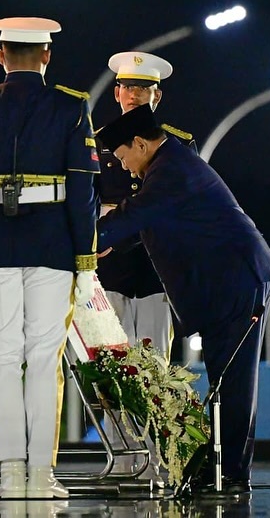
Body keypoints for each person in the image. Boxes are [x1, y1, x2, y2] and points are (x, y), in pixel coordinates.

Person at [0, 16, 99, 499]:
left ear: (0, 55)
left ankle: (10, 475)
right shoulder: (71, 108)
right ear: (47, 56)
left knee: (2, 357)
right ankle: (40, 475)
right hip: (52, 243)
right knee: (42, 358)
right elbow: (82, 190)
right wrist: (86, 261)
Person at [94, 104, 270, 494]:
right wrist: (104, 242)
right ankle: (222, 469)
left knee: (232, 381)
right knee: (225, 378)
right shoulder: (169, 166)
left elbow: (134, 214)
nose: (125, 167)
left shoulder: (170, 170)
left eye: (125, 157)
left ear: (141, 143)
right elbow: (142, 224)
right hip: (226, 283)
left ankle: (229, 473)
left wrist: (84, 240)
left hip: (236, 280)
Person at [95, 51, 196, 483]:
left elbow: (167, 210)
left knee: (155, 372)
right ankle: (122, 460)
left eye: (143, 89)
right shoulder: (97, 142)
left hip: (155, 277)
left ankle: (158, 461)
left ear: (158, 95)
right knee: (111, 373)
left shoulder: (177, 144)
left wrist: (120, 216)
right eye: (127, 88)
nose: (134, 96)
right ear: (116, 92)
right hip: (110, 276)